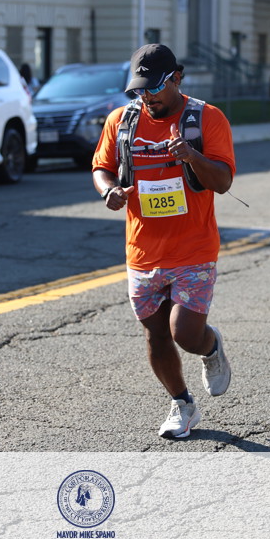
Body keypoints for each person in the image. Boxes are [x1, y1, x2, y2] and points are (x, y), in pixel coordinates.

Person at [91, 43, 236, 439]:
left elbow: (223, 181)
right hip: (142, 251)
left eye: (154, 87)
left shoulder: (207, 118)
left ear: (176, 79)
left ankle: (210, 348)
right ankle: (182, 404)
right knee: (155, 335)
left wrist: (191, 156)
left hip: (194, 248)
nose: (147, 96)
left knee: (184, 333)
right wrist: (108, 191)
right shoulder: (121, 121)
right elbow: (102, 167)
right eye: (139, 89)